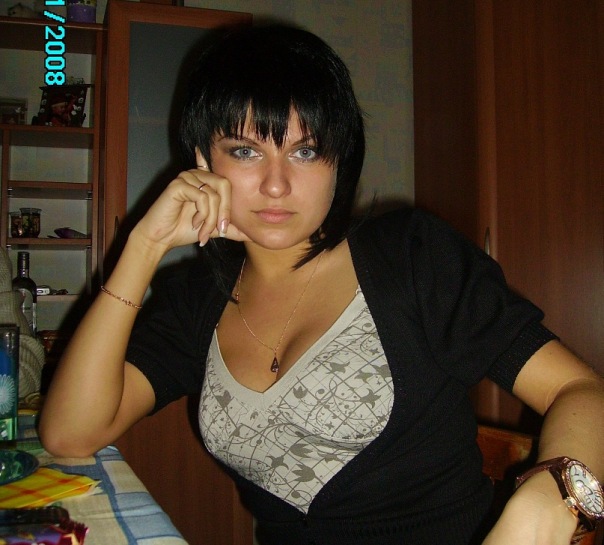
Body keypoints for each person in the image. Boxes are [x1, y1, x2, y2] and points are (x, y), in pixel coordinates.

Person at [39, 24, 604, 545]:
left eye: (305, 151)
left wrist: (548, 502)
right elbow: (70, 433)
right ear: (202, 159)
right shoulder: (196, 298)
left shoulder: (411, 258)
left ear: (339, 162)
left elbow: (578, 390)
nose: (276, 183)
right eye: (245, 151)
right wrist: (143, 246)